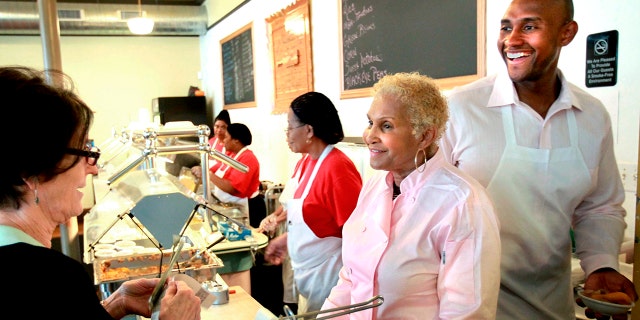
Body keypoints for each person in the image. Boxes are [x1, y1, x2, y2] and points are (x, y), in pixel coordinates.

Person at [439, 1, 637, 319]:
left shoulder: (592, 116)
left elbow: (599, 207)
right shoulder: (461, 108)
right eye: (506, 27)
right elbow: (421, 207)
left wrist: (602, 264)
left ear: (566, 33)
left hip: (553, 305)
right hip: (472, 306)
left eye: (530, 27)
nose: (512, 39)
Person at [0, 66, 201, 320]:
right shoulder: (50, 276)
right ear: (33, 171)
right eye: (83, 153)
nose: (92, 169)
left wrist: (116, 303)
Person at [320, 73, 501, 319]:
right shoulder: (374, 188)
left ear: (424, 136)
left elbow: (466, 313)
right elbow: (351, 279)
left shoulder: (463, 203)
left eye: (386, 126)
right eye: (370, 122)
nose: (370, 136)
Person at [261, 91, 363, 316]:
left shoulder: (337, 169)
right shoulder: (306, 163)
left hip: (332, 283)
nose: (287, 134)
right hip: (310, 280)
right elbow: (315, 219)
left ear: (308, 130)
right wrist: (288, 240)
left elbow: (358, 237)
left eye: (290, 126)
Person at [206, 122, 263, 295]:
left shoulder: (248, 159)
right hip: (228, 207)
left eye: (227, 137)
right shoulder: (231, 155)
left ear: (237, 141)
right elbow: (215, 169)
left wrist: (209, 176)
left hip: (246, 209)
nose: (222, 140)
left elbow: (233, 187)